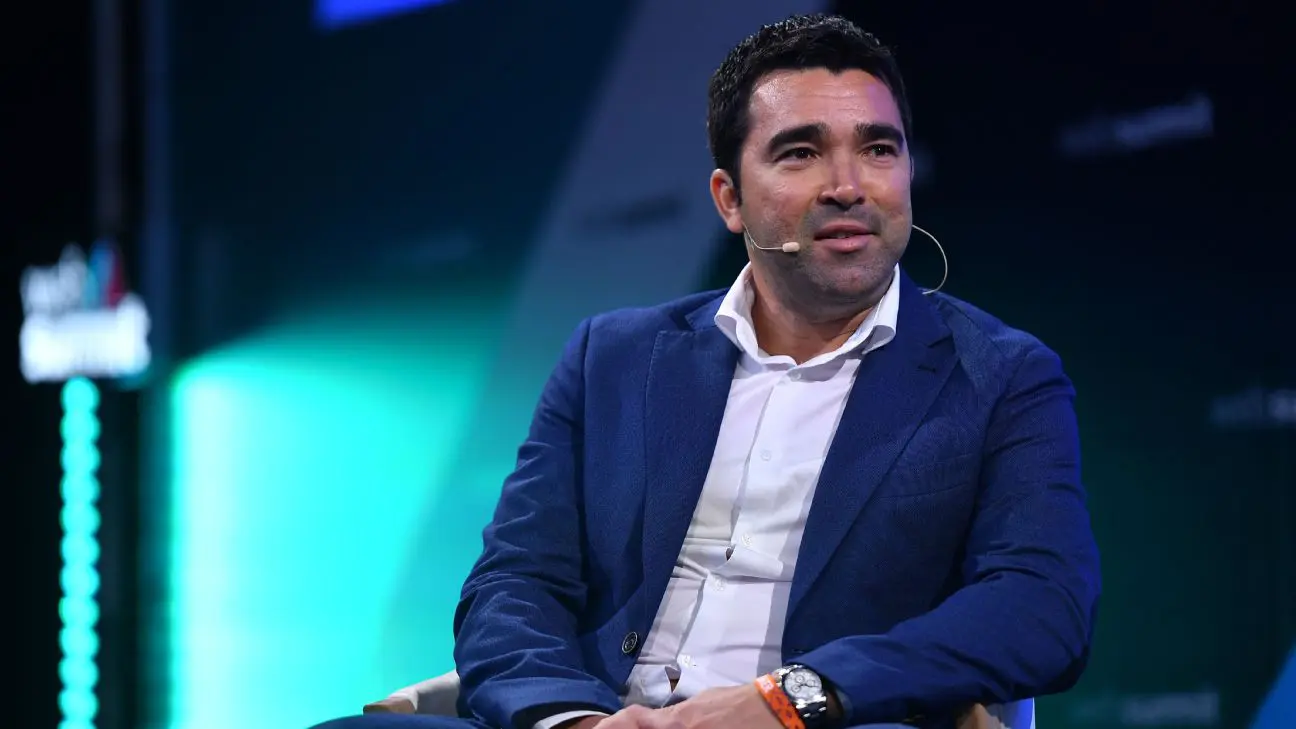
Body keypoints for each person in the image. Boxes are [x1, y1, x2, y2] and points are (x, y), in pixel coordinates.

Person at [314, 13, 1100, 729]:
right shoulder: (612, 358)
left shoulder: (999, 375)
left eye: (878, 149)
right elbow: (514, 585)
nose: (848, 186)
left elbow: (1041, 603)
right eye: (800, 152)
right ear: (730, 199)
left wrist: (789, 697)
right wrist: (572, 720)